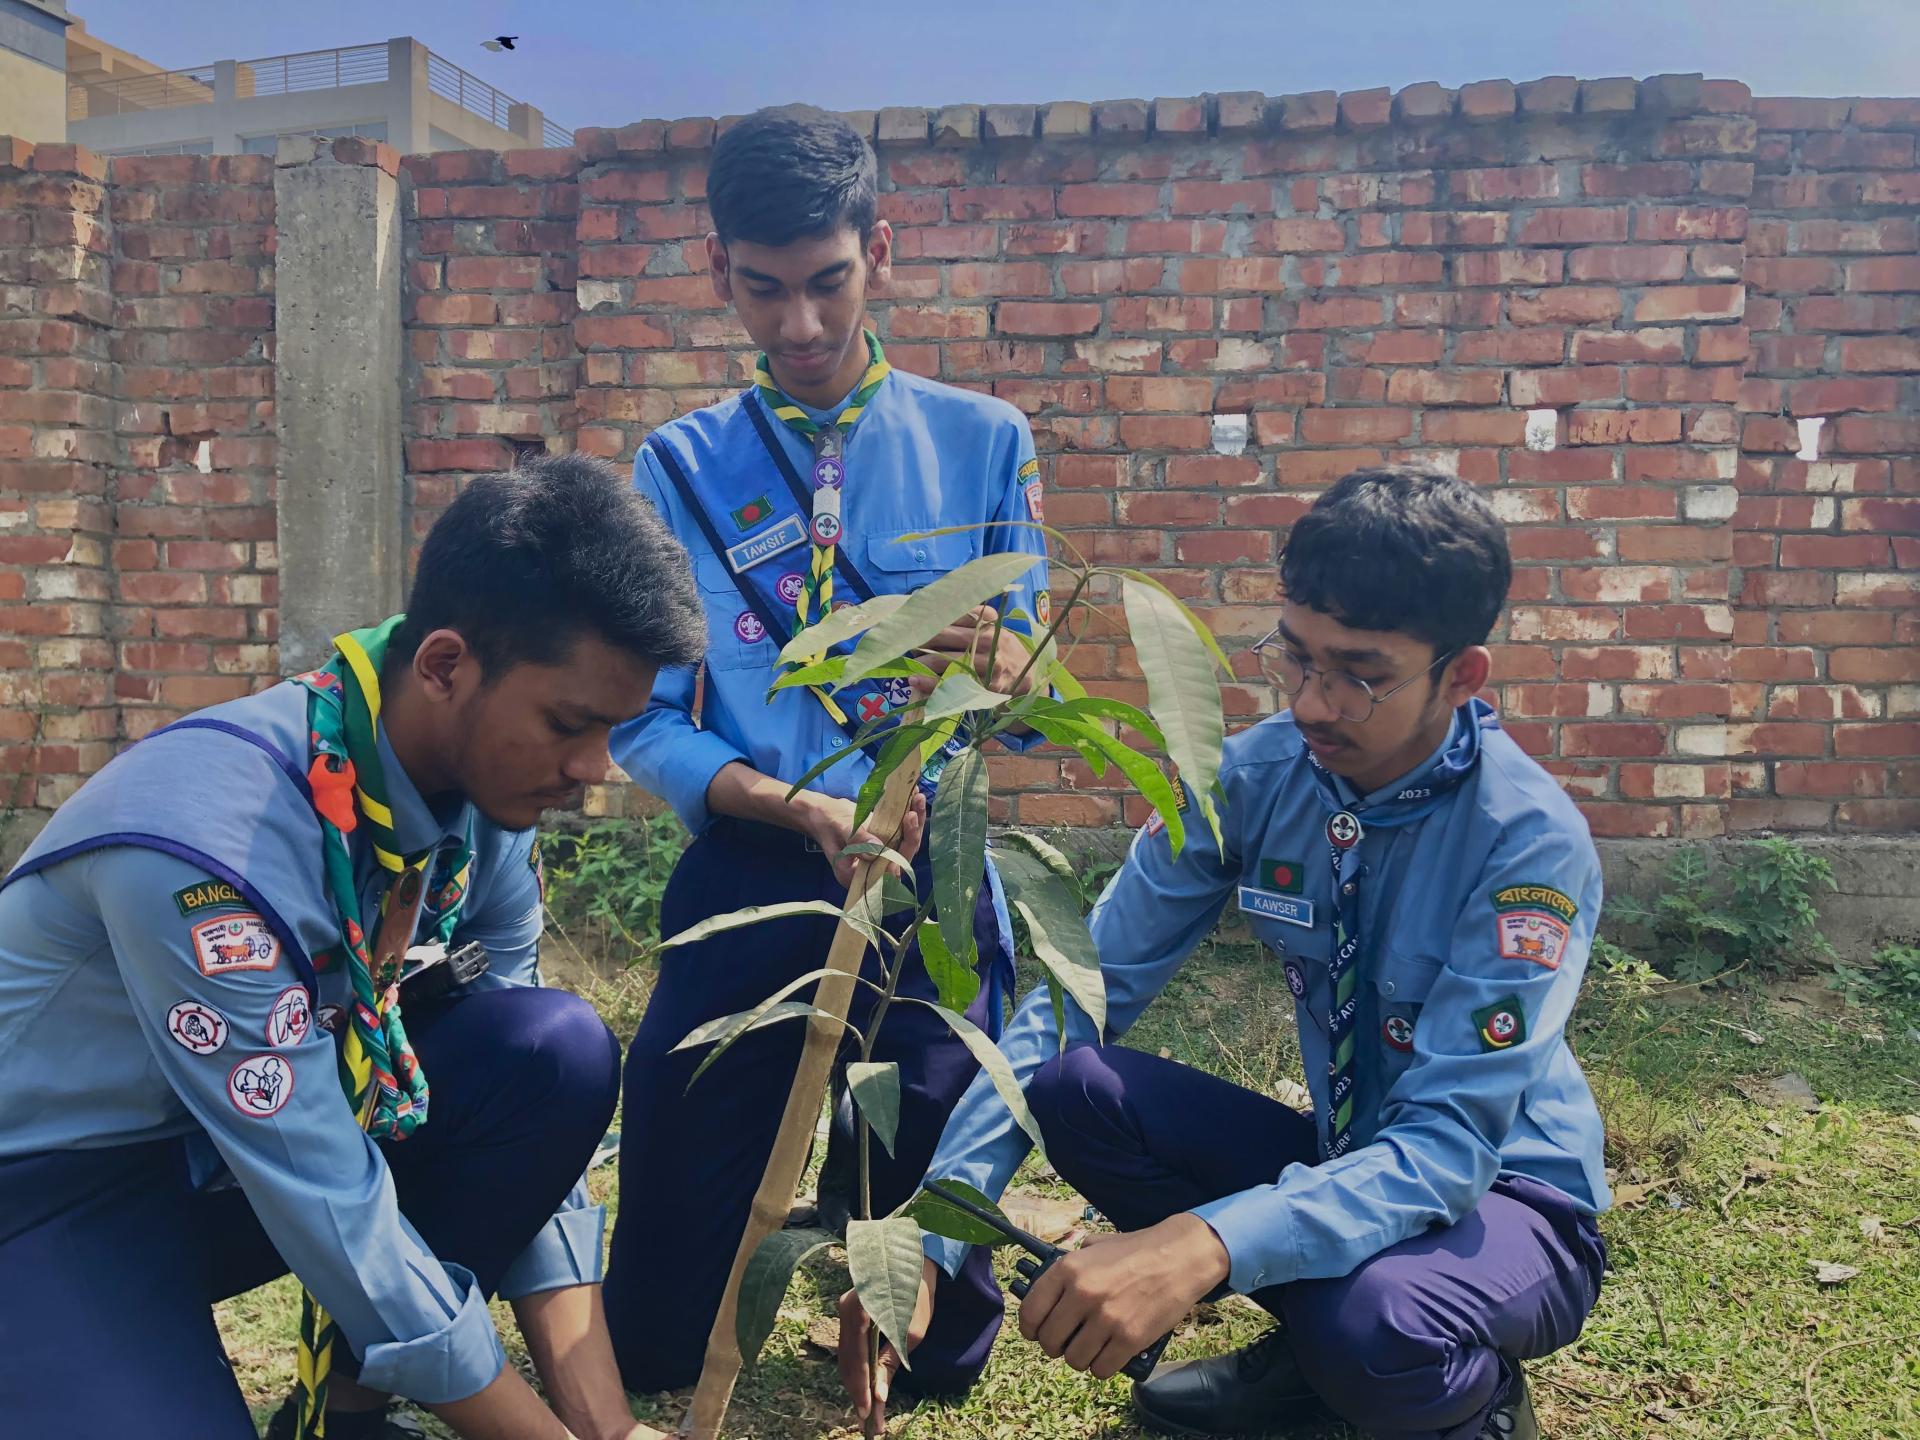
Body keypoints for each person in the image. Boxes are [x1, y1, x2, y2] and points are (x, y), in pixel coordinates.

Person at [841, 468, 1611, 1440]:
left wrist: (1202, 1243)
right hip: (1348, 1155)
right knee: (1078, 1092)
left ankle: (1468, 1406)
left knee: (1376, 1322)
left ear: (1461, 676)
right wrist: (933, 1232)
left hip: (1510, 1196)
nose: (1312, 705)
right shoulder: (1252, 778)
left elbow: (1448, 1147)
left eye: (1359, 675)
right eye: (1297, 659)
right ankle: (1314, 1362)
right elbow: (1084, 991)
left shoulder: (1525, 843)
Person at [0, 457, 707, 1440]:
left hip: (222, 1169)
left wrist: (607, 1425)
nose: (595, 769)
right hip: (49, 1191)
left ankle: (346, 1417)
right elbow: (321, 1188)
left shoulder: (484, 809)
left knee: (551, 1050)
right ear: (445, 666)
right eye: (569, 724)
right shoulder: (208, 851)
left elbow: (529, 1127)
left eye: (613, 731)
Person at [601, 104, 1053, 1398]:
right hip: (755, 855)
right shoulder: (679, 469)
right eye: (764, 288)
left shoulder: (984, 442)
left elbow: (1027, 699)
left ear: (880, 252)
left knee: (934, 1320)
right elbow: (646, 719)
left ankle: (889, 1308)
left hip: (926, 874)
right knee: (654, 1332)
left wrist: (1001, 667)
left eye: (828, 282)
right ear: (717, 269)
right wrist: (794, 807)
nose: (799, 325)